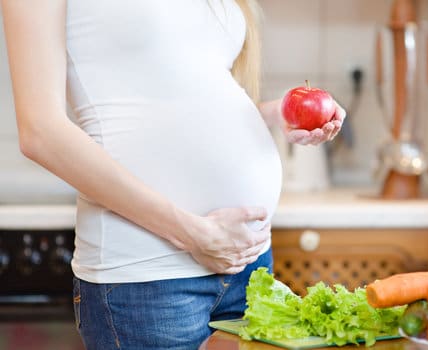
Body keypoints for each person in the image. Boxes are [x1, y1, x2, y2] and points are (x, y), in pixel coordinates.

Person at [1, 1, 345, 349]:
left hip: (247, 262)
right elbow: (40, 133)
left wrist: (277, 114)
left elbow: (178, 95)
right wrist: (191, 233)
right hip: (148, 274)